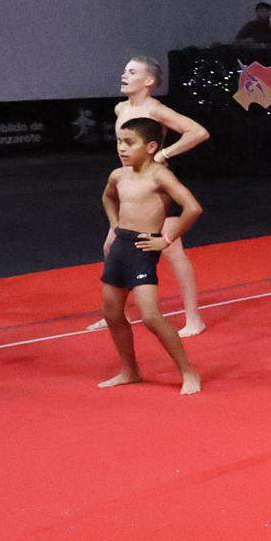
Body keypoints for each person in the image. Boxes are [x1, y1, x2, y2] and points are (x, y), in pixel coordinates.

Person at [97, 117, 203, 395]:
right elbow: (108, 197)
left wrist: (166, 239)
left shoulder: (160, 176)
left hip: (143, 249)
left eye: (130, 142)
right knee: (111, 313)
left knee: (151, 317)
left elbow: (192, 208)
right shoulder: (118, 175)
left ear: (151, 146)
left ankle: (188, 371)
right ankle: (130, 370)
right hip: (120, 246)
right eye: (119, 141)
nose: (122, 147)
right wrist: (114, 225)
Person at [112, 55, 211, 336]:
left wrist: (164, 154)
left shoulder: (156, 110)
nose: (124, 75)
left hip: (155, 187)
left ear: (148, 81)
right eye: (125, 70)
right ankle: (115, 312)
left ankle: (194, 318)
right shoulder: (121, 108)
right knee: (113, 245)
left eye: (132, 72)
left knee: (172, 250)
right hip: (132, 186)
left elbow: (198, 132)